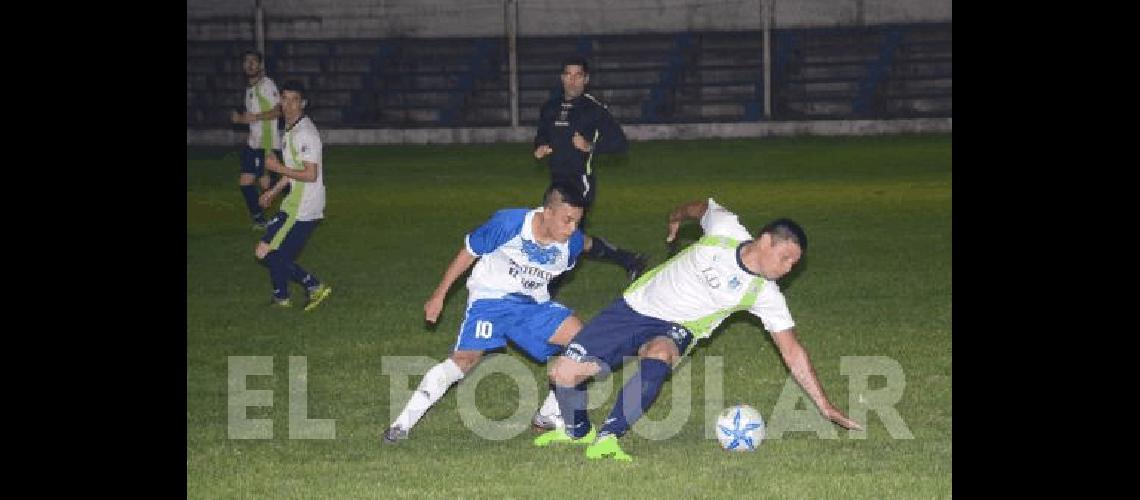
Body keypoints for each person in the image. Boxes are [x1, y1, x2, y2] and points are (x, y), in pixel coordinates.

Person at [534, 197, 863, 461]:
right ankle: (577, 431)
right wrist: (677, 214)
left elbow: (792, 351)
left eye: (794, 263)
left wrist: (824, 404)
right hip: (634, 307)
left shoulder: (764, 294)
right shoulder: (725, 228)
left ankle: (609, 437)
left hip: (679, 327)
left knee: (660, 354)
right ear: (765, 241)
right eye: (786, 257)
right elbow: (700, 207)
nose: (788, 268)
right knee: (563, 375)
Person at [383, 183, 592, 444]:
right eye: (567, 220)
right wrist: (439, 295)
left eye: (577, 222)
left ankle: (549, 415)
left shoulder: (571, 243)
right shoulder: (509, 223)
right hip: (491, 301)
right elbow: (468, 252)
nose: (572, 228)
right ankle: (401, 425)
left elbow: (562, 265)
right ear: (547, 212)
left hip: (533, 306)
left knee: (589, 344)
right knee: (464, 360)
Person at [533, 55, 647, 283]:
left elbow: (620, 143)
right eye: (568, 75)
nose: (572, 81)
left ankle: (547, 286)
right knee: (569, 235)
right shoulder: (550, 107)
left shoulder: (594, 109)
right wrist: (540, 147)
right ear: (562, 78)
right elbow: (542, 135)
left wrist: (589, 146)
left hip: (580, 182)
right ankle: (629, 259)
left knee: (561, 233)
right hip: (556, 181)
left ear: (586, 79)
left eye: (578, 75)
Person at [255, 80, 332, 311]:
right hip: (294, 202)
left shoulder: (304, 134)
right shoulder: (291, 129)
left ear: (303, 103)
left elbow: (309, 174)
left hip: (303, 206)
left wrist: (276, 168)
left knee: (266, 252)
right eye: (284, 98)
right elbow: (294, 171)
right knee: (275, 252)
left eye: (294, 100)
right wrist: (274, 191)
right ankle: (281, 298)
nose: (288, 105)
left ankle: (314, 286)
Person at [231, 50, 284, 230]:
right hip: (253, 143)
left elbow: (279, 110)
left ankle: (293, 205)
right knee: (249, 183)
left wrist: (255, 117)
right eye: (247, 61)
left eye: (254, 61)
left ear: (260, 65)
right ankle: (261, 220)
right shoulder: (250, 89)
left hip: (265, 143)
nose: (250, 65)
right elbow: (252, 118)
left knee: (264, 185)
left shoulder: (266, 85)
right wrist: (242, 120)